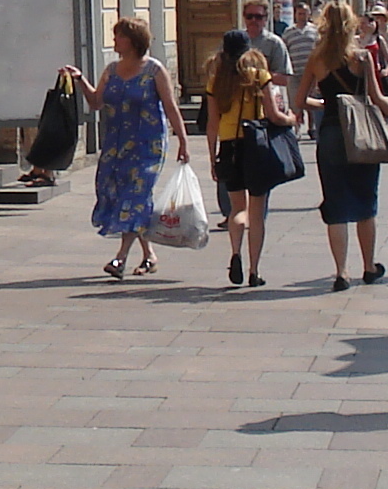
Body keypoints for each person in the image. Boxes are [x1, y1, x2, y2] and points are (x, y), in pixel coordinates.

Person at [297, 0, 388, 289]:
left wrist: (327, 104)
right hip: (360, 135)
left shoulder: (317, 59)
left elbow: (300, 101)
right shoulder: (362, 57)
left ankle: (341, 272)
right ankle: (368, 267)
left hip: (331, 132)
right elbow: (377, 99)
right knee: (366, 201)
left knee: (336, 202)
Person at [73, 16, 189, 279]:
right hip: (116, 145)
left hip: (149, 145)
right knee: (119, 195)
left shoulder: (154, 71)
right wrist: (80, 80)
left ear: (133, 40)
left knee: (134, 197)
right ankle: (149, 255)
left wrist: (183, 140)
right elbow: (96, 102)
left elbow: (170, 107)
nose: (114, 40)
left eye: (119, 36)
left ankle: (119, 259)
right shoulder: (111, 70)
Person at [205, 27, 296, 288]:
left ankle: (235, 254)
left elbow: (212, 124)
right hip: (256, 147)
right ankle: (255, 270)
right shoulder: (259, 76)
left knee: (237, 209)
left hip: (229, 146)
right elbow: (273, 115)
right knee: (257, 212)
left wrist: (212, 158)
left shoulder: (216, 81)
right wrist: (290, 120)